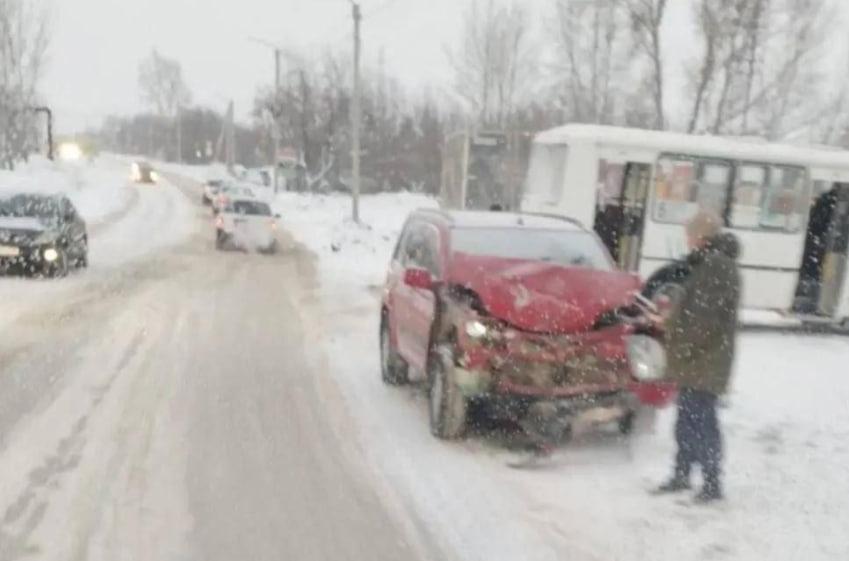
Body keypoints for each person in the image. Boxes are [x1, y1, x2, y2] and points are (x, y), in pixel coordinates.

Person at [653, 210, 741, 503]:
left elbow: (703, 319)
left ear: (702, 237)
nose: (686, 239)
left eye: (690, 234)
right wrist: (672, 319)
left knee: (702, 422)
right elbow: (693, 310)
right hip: (698, 359)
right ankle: (681, 474)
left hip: (705, 359)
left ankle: (712, 484)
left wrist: (677, 337)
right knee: (687, 420)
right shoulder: (709, 264)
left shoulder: (717, 266)